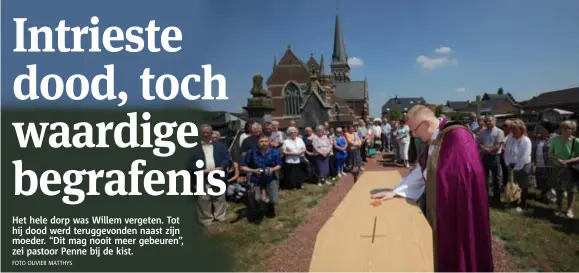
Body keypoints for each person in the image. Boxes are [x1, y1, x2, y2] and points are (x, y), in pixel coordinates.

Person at [371, 105, 493, 272]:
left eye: (414, 130)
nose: (414, 135)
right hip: (440, 206)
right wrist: (396, 191)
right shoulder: (436, 138)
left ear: (426, 124)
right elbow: (424, 169)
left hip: (456, 208)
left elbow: (464, 175)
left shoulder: (457, 136)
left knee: (456, 249)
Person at [188, 124, 230, 227]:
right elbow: (188, 162)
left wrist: (221, 167)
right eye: (203, 132)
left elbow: (226, 158)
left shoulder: (220, 146)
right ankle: (206, 219)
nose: (206, 134)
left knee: (219, 197)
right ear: (199, 134)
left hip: (217, 175)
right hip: (201, 176)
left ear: (212, 133)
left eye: (208, 132)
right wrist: (200, 170)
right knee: (203, 198)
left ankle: (220, 216)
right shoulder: (192, 147)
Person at [239, 134, 282, 219]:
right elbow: (242, 166)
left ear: (269, 142)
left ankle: (269, 206)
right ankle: (260, 209)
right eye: (261, 141)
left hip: (270, 178)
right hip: (256, 178)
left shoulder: (275, 152)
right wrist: (253, 171)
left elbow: (279, 164)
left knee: (275, 200)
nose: (264, 143)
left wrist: (272, 169)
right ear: (257, 143)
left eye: (266, 141)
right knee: (257, 198)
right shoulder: (251, 152)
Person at [548, 120, 579, 218]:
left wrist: (568, 162)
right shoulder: (555, 140)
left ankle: (569, 209)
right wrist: (558, 159)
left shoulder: (576, 141)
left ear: (573, 130)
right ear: (561, 129)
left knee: (571, 190)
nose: (566, 130)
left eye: (568, 128)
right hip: (557, 167)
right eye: (564, 128)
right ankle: (559, 207)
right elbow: (550, 153)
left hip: (570, 169)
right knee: (558, 189)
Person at [504, 119, 532, 212]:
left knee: (523, 185)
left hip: (523, 165)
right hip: (511, 165)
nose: (513, 131)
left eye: (515, 129)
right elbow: (506, 152)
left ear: (521, 129)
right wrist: (507, 163)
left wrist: (516, 168)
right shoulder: (510, 138)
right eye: (512, 129)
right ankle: (513, 201)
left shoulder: (526, 141)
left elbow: (524, 156)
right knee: (513, 184)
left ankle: (523, 204)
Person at [478, 116, 506, 202]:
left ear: (495, 121)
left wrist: (485, 150)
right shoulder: (483, 132)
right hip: (485, 157)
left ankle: (496, 197)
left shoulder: (499, 132)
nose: (488, 123)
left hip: (495, 157)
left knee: (496, 177)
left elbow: (498, 146)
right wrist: (484, 149)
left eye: (490, 121)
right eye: (486, 121)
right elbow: (479, 142)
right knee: (484, 177)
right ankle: (486, 195)